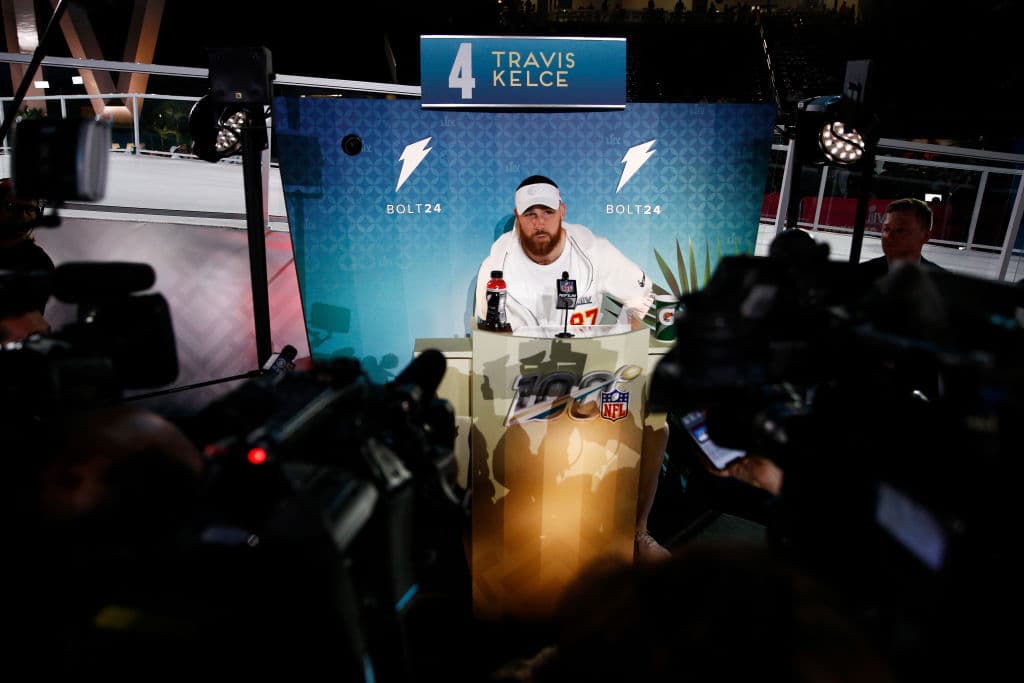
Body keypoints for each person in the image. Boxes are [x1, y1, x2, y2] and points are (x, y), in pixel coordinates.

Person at [475, 175, 670, 563]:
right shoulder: (499, 262)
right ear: (517, 217)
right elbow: (488, 337)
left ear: (562, 212)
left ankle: (638, 533)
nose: (540, 222)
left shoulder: (593, 249)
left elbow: (652, 302)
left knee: (658, 423)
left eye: (547, 211)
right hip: (530, 378)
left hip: (599, 372)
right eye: (530, 214)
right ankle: (519, 539)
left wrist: (638, 342)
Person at [0, 177, 54, 342]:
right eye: (11, 206)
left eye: (28, 209)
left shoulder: (38, 262)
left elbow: (27, 323)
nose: (20, 216)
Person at [857, 197, 944, 283]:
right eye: (886, 229)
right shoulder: (860, 274)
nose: (889, 236)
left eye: (900, 230)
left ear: (925, 236)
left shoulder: (942, 280)